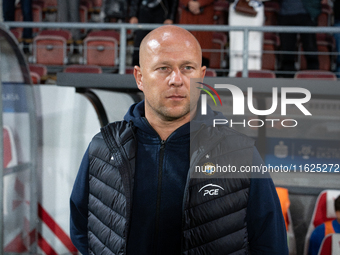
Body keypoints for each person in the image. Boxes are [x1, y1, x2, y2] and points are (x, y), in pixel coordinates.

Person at [70, 25, 288, 254]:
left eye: (187, 68)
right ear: (140, 77)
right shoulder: (104, 147)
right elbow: (82, 228)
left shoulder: (239, 153)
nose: (177, 79)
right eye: (163, 68)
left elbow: (270, 244)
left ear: (201, 76)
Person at [277, 0, 321, 77]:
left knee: (310, 48)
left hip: (307, 14)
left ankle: (314, 77)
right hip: (285, 15)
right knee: (287, 49)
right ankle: (288, 78)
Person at [129, 0, 178, 66]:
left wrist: (170, 17)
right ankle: (135, 70)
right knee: (140, 43)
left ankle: (161, 69)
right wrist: (133, 15)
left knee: (161, 44)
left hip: (162, 11)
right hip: (143, 10)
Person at [178, 0, 215, 67]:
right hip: (187, 16)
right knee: (185, 55)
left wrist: (200, 3)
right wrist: (188, 3)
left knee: (202, 55)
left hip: (204, 15)